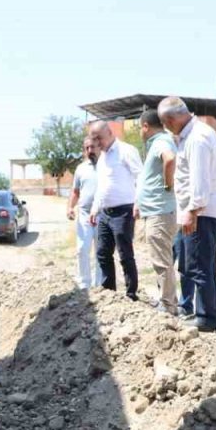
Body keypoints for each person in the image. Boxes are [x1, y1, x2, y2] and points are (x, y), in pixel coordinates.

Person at [160, 96, 216, 332]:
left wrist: (192, 211)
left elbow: (200, 181)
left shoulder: (197, 138)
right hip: (201, 211)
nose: (167, 129)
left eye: (166, 124)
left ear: (171, 120)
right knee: (203, 266)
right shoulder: (192, 135)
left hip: (201, 212)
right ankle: (210, 315)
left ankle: (207, 318)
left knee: (198, 267)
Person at [87, 120, 143, 300]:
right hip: (105, 213)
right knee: (102, 253)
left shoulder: (126, 151)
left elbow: (140, 177)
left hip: (123, 211)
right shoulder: (102, 158)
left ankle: (131, 293)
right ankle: (108, 291)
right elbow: (102, 186)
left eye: (99, 138)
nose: (97, 143)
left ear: (109, 133)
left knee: (125, 254)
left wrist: (139, 202)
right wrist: (95, 209)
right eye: (94, 139)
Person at [134, 109, 178, 314]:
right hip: (156, 212)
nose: (139, 133)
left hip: (160, 212)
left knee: (162, 261)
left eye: (139, 128)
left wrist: (168, 185)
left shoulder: (161, 141)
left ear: (145, 126)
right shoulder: (158, 142)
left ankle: (168, 305)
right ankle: (168, 301)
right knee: (161, 260)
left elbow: (170, 159)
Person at [67, 139, 100, 289]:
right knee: (82, 249)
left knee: (101, 251)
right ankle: (84, 283)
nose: (89, 151)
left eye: (92, 147)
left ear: (99, 146)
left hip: (103, 215)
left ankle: (100, 284)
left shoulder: (107, 166)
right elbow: (75, 192)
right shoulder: (81, 169)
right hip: (85, 215)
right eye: (87, 148)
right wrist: (70, 207)